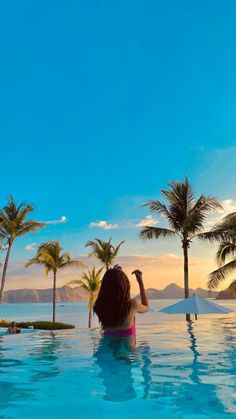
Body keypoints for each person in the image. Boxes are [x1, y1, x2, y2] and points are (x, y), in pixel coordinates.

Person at [93, 266, 148, 347]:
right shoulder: (132, 305)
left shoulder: (98, 306)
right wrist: (140, 282)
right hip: (127, 355)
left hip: (105, 351)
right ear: (125, 286)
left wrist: (113, 274)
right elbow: (146, 306)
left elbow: (109, 297)